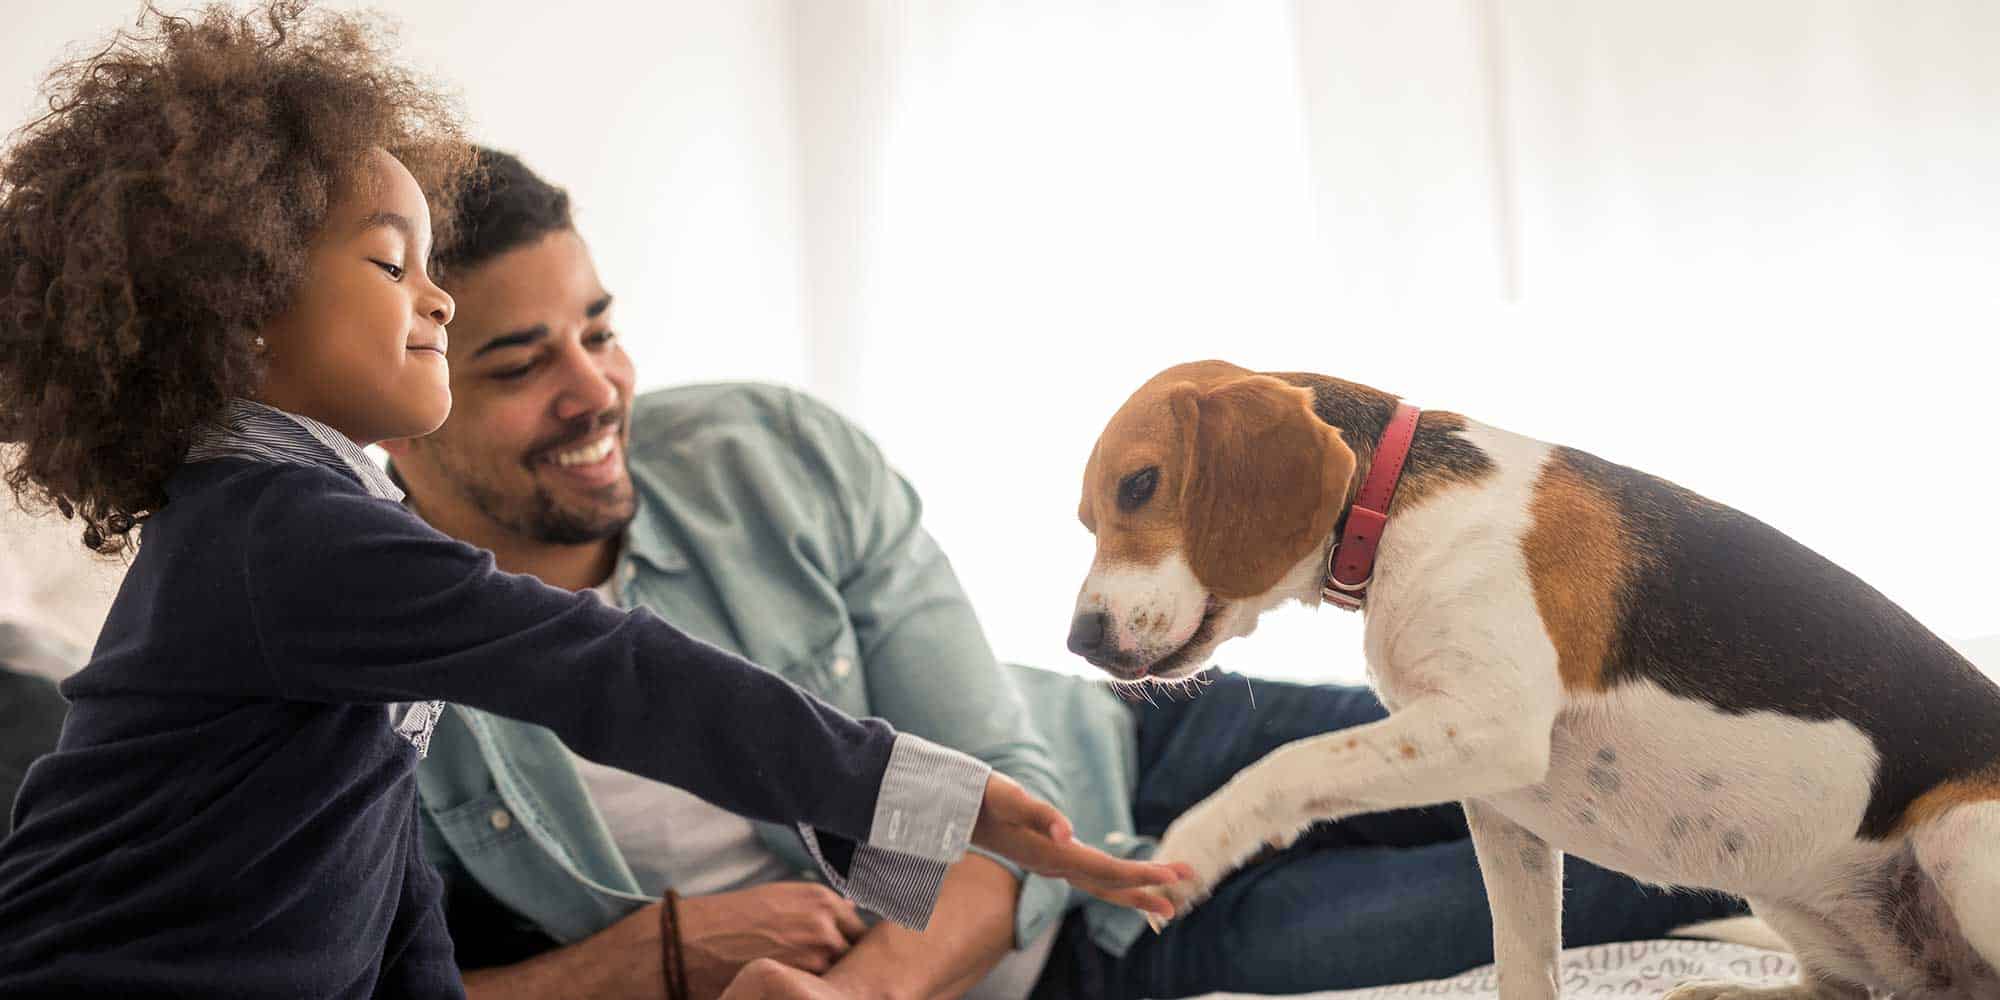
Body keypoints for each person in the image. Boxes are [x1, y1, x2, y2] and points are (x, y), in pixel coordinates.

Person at [0, 6, 1176, 996]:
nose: (438, 303)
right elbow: (613, 672)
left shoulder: (309, 530)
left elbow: (375, 873)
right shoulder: (277, 536)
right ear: (243, 305)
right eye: (390, 264)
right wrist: (922, 795)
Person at [392, 148, 1747, 1000]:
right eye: (520, 366)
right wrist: (634, 966)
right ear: (408, 394)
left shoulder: (767, 453)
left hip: (1126, 740)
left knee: (1613, 741)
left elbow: (993, 767)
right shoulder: (372, 657)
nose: (596, 391)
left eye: (602, 330)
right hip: (1100, 950)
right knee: (1654, 868)